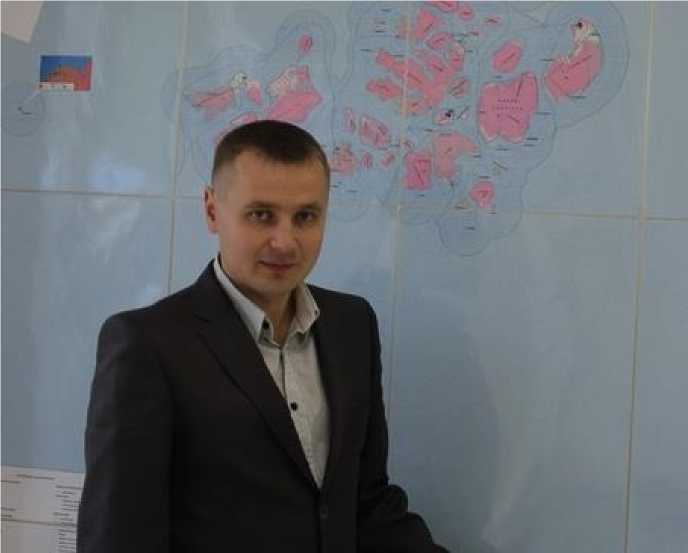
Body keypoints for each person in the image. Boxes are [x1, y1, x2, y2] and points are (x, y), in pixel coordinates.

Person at [77, 120, 448, 553]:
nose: (285, 242)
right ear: (212, 211)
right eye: (261, 215)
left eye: (305, 216)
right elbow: (119, 535)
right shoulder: (147, 344)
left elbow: (367, 505)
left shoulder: (352, 326)